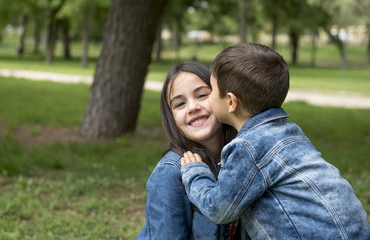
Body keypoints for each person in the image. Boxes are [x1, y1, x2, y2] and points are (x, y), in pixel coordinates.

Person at [180, 43, 370, 239]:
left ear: (230, 102)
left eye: (211, 90)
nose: (208, 98)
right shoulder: (290, 132)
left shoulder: (249, 147)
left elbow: (218, 208)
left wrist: (195, 172)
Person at [136, 61, 238, 239]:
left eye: (201, 95)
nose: (193, 107)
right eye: (180, 104)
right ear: (172, 118)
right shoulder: (170, 173)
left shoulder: (240, 157)